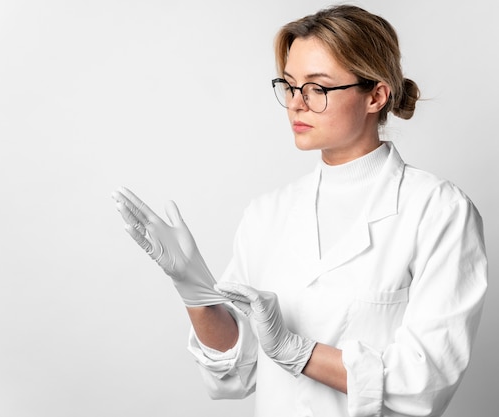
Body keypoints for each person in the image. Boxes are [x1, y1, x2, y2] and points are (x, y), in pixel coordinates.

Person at [112, 4, 487, 417]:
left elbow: (425, 383)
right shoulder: (266, 214)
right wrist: (193, 288)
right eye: (289, 85)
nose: (296, 104)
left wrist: (296, 350)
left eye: (317, 88)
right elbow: (236, 376)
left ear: (375, 96)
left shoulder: (437, 210)